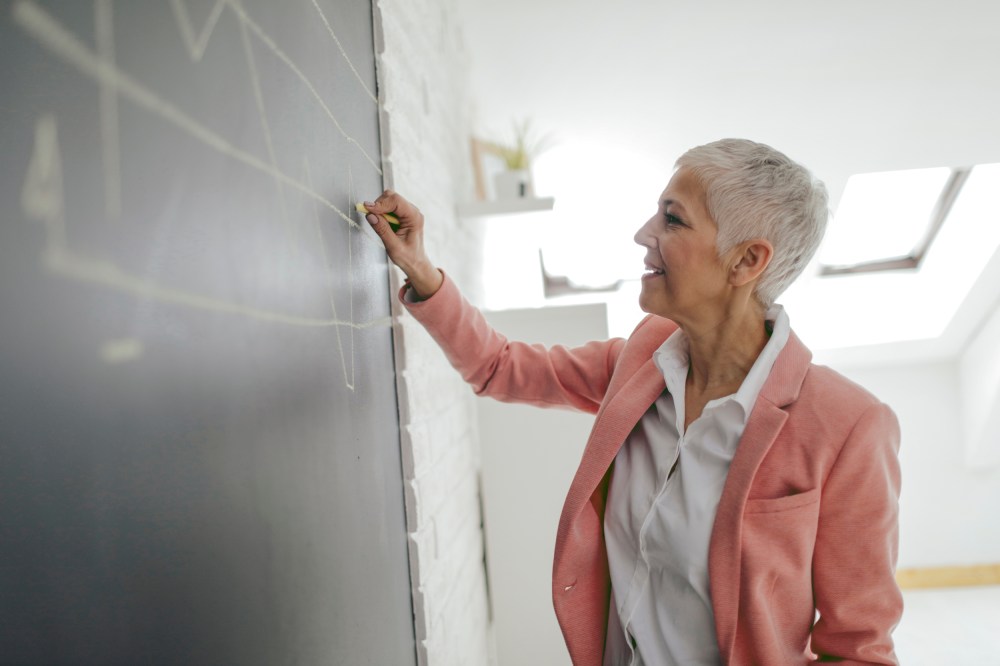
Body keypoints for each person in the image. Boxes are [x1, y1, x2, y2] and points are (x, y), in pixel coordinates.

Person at [362, 138, 902, 665]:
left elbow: (859, 649)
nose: (644, 234)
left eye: (673, 219)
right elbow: (499, 367)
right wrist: (421, 270)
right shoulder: (643, 359)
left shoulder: (847, 424)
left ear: (746, 261)